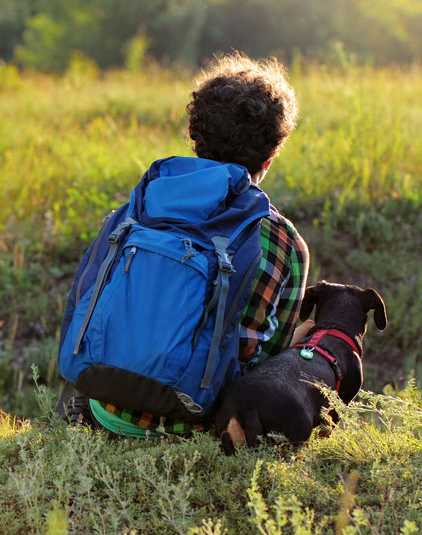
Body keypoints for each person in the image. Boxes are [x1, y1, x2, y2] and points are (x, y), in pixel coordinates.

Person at [58, 52, 309, 436]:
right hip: (198, 423)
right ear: (271, 156)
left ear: (195, 139)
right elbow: (266, 367)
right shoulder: (283, 241)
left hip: (103, 404)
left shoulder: (140, 205)